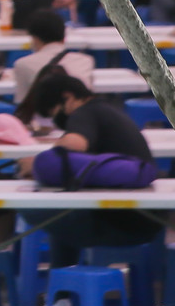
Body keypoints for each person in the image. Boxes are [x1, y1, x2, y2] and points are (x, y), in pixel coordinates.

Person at [16, 70, 163, 268]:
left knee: (30, 211)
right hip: (148, 222)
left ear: (68, 97)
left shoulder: (84, 112)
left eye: (55, 113)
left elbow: (76, 143)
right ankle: (64, 281)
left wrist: (38, 163)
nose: (58, 120)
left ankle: (62, 282)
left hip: (119, 223)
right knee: (65, 212)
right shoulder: (108, 109)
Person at [10, 10, 95, 106]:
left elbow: (22, 103)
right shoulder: (86, 61)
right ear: (64, 36)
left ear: (34, 38)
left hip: (42, 114)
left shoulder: (23, 64)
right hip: (81, 114)